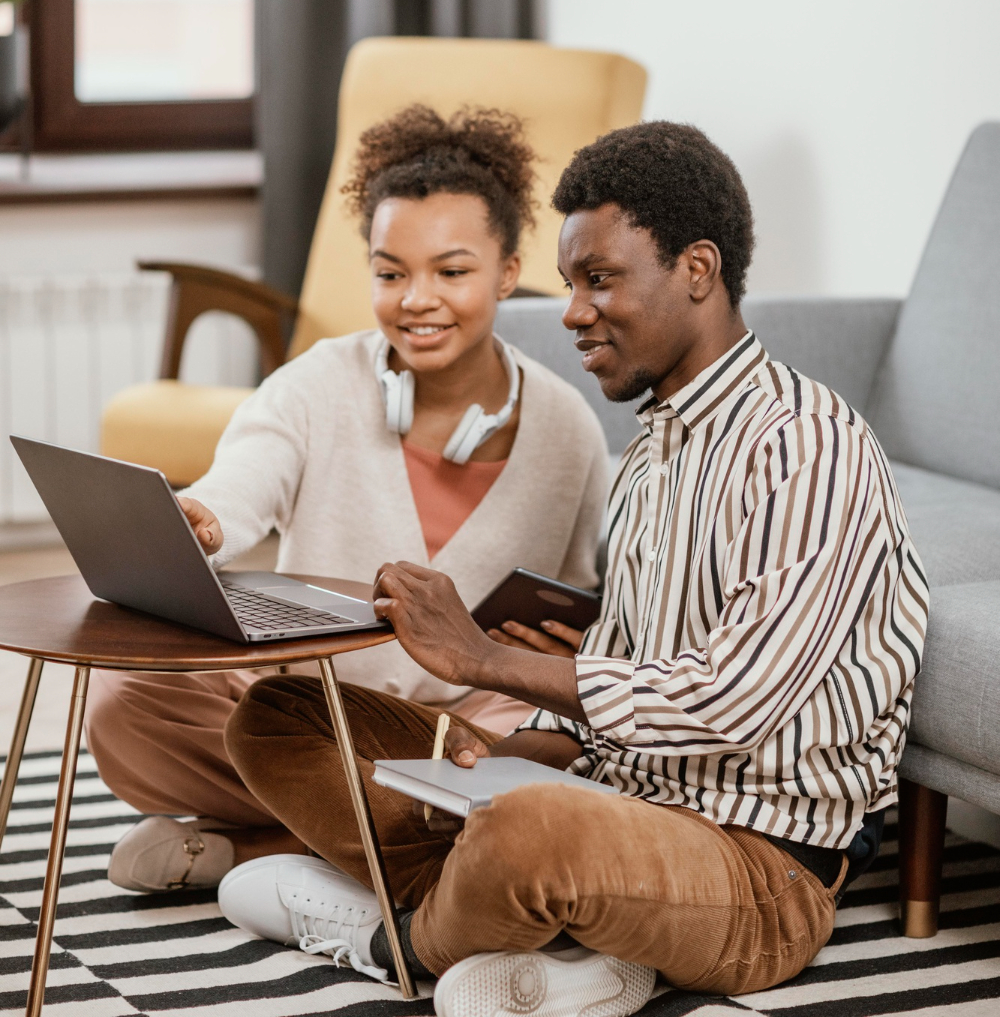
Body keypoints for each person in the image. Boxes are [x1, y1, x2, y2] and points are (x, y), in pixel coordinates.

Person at [217, 121, 929, 1017]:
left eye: (600, 280)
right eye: (569, 284)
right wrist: (523, 748)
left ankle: (391, 938)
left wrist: (481, 661)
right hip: (612, 797)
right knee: (280, 718)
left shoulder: (804, 447)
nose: (571, 312)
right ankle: (559, 937)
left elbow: (731, 705)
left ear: (697, 271)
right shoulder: (648, 455)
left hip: (756, 868)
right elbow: (628, 689)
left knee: (526, 829)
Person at [86, 105, 608, 896]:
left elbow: (588, 601)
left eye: (452, 271)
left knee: (562, 751)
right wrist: (209, 517)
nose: (417, 299)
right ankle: (399, 832)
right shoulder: (317, 382)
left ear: (507, 272)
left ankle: (263, 844)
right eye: (391, 272)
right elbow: (248, 471)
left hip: (463, 725)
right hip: (301, 710)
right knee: (126, 705)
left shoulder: (568, 425)